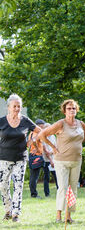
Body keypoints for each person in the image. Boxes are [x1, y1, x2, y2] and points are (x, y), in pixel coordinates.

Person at [39, 99, 85, 223]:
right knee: (63, 188)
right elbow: (42, 135)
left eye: (74, 108)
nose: (72, 110)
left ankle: (69, 216)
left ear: (77, 110)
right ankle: (59, 216)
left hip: (76, 160)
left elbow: (83, 138)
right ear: (64, 111)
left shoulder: (81, 124)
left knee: (73, 189)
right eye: (69, 108)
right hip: (61, 161)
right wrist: (53, 147)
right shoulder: (61, 123)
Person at [0, 94, 40, 222]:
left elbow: (39, 130)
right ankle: (8, 209)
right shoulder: (2, 121)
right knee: (2, 186)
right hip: (4, 158)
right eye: (14, 106)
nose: (17, 109)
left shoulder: (25, 120)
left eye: (19, 106)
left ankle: (16, 214)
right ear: (8, 107)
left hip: (20, 158)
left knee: (18, 185)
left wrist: (31, 141)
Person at [28, 119, 52, 198]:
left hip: (36, 155)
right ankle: (34, 194)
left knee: (34, 176)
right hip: (35, 156)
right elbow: (34, 140)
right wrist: (37, 148)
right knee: (34, 176)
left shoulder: (34, 132)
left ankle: (33, 193)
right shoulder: (35, 132)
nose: (42, 128)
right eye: (41, 126)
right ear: (37, 125)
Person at [42, 123, 58, 189]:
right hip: (47, 160)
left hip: (54, 159)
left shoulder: (53, 136)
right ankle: (47, 193)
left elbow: (56, 147)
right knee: (47, 177)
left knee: (56, 176)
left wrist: (52, 152)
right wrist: (51, 160)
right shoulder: (43, 137)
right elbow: (46, 151)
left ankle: (59, 190)